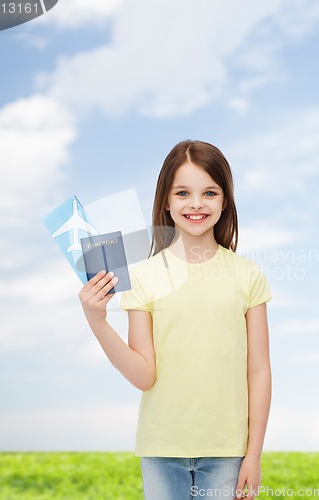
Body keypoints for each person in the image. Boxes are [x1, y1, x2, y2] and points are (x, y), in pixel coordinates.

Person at [78, 140, 272, 500]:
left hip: (228, 451)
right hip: (161, 450)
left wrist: (254, 454)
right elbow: (144, 375)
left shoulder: (247, 275)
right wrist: (98, 322)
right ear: (166, 201)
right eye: (183, 192)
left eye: (209, 192)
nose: (196, 204)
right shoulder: (144, 276)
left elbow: (258, 369)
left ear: (225, 200)